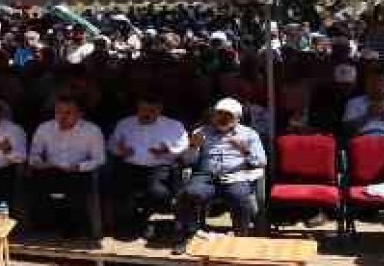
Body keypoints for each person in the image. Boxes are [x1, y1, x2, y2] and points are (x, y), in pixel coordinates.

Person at [173, 98, 267, 255]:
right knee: (189, 194)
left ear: (237, 118)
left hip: (235, 176)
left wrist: (244, 150)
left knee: (240, 196)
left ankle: (240, 238)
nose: (222, 118)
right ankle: (187, 236)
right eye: (218, 114)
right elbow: (187, 162)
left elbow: (261, 162)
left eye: (228, 115)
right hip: (205, 176)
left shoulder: (249, 134)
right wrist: (193, 147)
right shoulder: (200, 132)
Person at [108, 94, 189, 239]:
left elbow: (184, 146)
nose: (146, 114)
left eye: (151, 110)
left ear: (159, 110)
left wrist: (168, 150)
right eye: (143, 110)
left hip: (159, 166)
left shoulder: (173, 125)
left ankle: (146, 220)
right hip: (130, 165)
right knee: (120, 189)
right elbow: (112, 144)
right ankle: (129, 223)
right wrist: (120, 150)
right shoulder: (125, 123)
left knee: (157, 192)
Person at [28, 95, 107, 236]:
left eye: (68, 113)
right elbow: (34, 155)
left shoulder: (92, 130)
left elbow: (100, 159)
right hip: (51, 169)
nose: (62, 117)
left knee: (76, 189)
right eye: (58, 112)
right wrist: (39, 163)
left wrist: (79, 167)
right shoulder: (44, 128)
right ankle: (44, 222)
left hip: (78, 170)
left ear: (80, 114)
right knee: (36, 182)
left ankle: (71, 226)